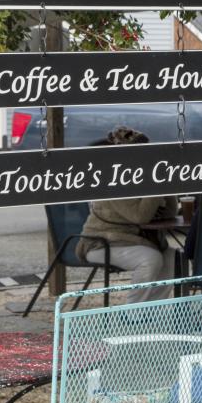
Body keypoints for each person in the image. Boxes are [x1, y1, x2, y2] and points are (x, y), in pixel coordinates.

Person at [75, 126, 178, 303]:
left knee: (172, 256)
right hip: (101, 243)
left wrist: (164, 181)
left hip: (130, 240)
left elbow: (169, 212)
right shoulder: (113, 180)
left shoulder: (138, 175)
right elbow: (140, 216)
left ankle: (153, 310)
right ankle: (132, 314)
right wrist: (156, 183)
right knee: (150, 258)